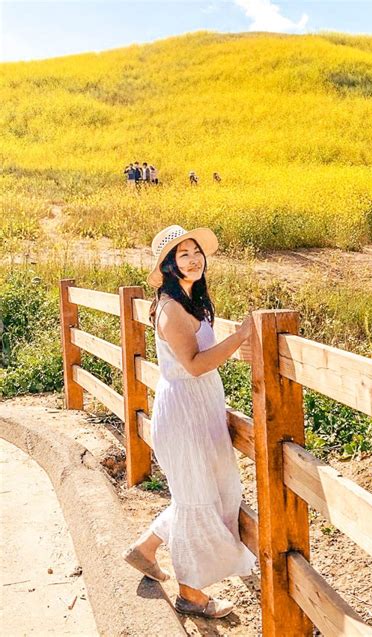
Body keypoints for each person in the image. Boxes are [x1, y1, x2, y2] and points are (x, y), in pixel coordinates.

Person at [122, 224, 255, 619]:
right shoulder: (170, 308)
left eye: (196, 251)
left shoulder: (190, 300)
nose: (193, 258)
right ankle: (191, 595)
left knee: (212, 493)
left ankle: (145, 549)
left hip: (200, 411)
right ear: (168, 265)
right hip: (184, 414)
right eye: (183, 254)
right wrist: (243, 335)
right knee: (198, 501)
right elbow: (195, 365)